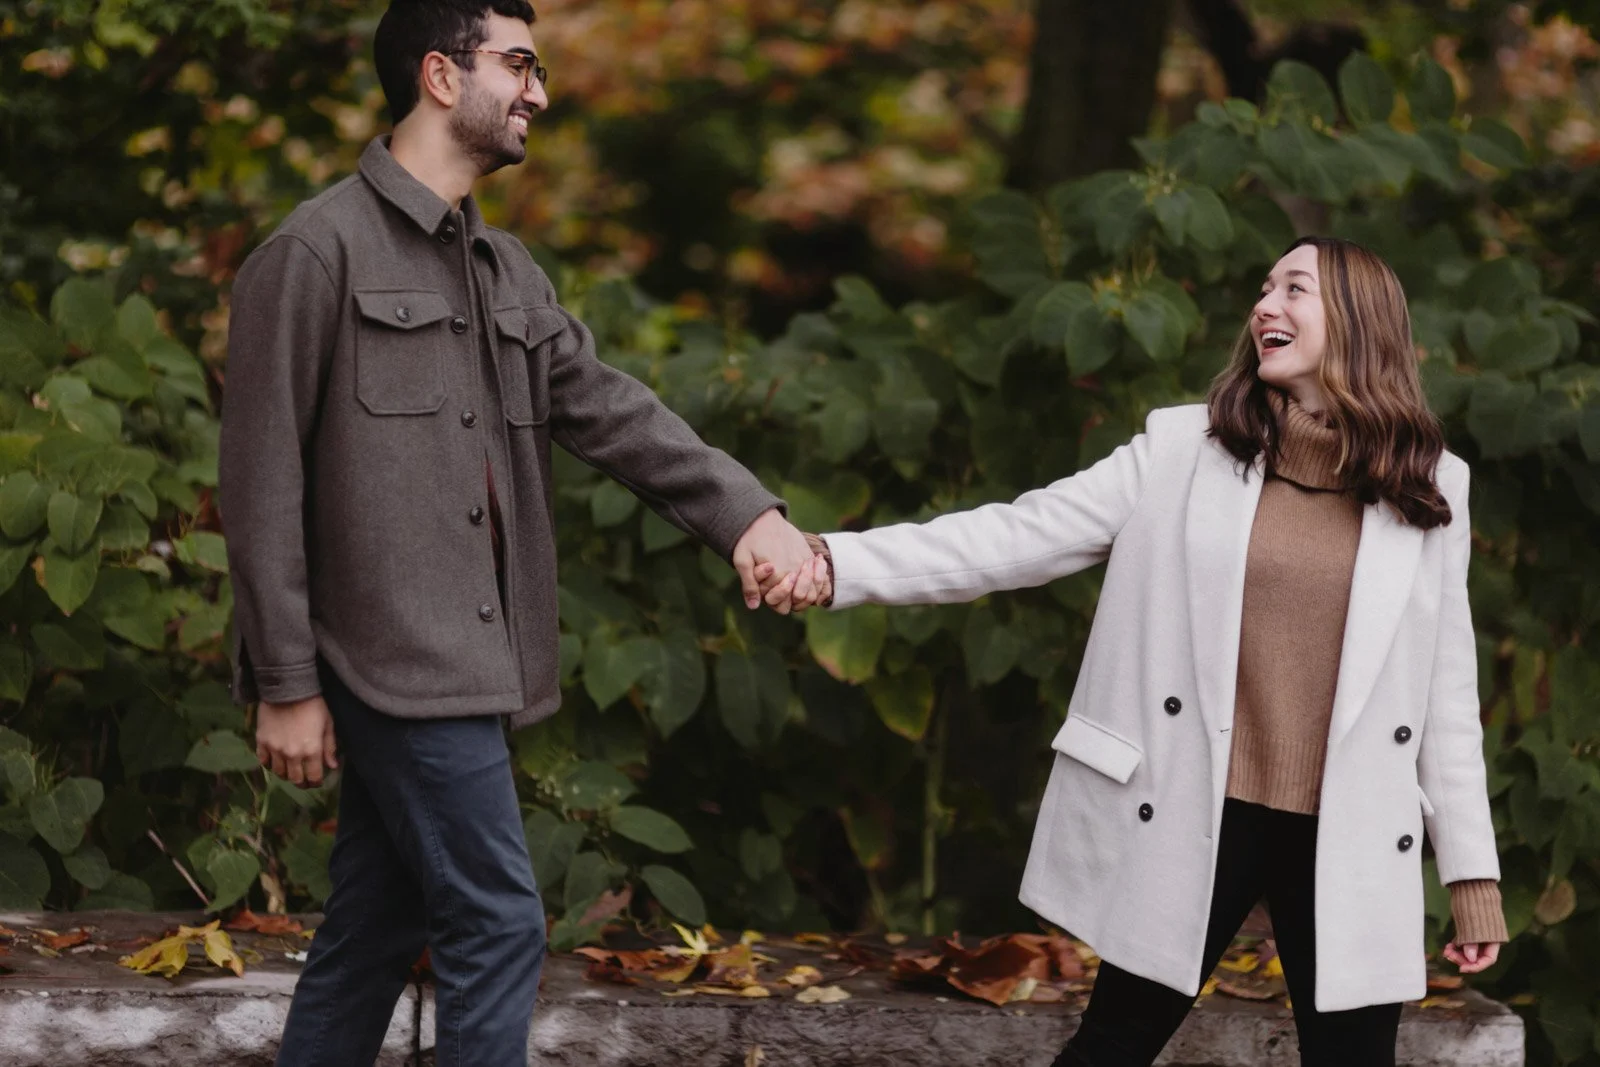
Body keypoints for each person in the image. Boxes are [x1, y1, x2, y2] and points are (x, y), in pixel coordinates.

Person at [217, 2, 815, 1064]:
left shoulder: (506, 271)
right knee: (494, 922)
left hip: (477, 659)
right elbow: (260, 483)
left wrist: (747, 513)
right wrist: (285, 678)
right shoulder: (313, 254)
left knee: (375, 923)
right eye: (520, 65)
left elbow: (615, 413)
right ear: (443, 77)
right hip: (392, 656)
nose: (539, 92)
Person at [765, 237, 1507, 1066]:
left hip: (1351, 825)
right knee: (1111, 1047)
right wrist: (837, 564)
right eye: (1263, 289)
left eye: (1293, 289)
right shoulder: (1181, 452)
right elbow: (1018, 534)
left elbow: (1444, 691)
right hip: (1198, 806)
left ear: (1362, 321)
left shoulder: (1433, 485)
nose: (1264, 306)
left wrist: (1473, 878)